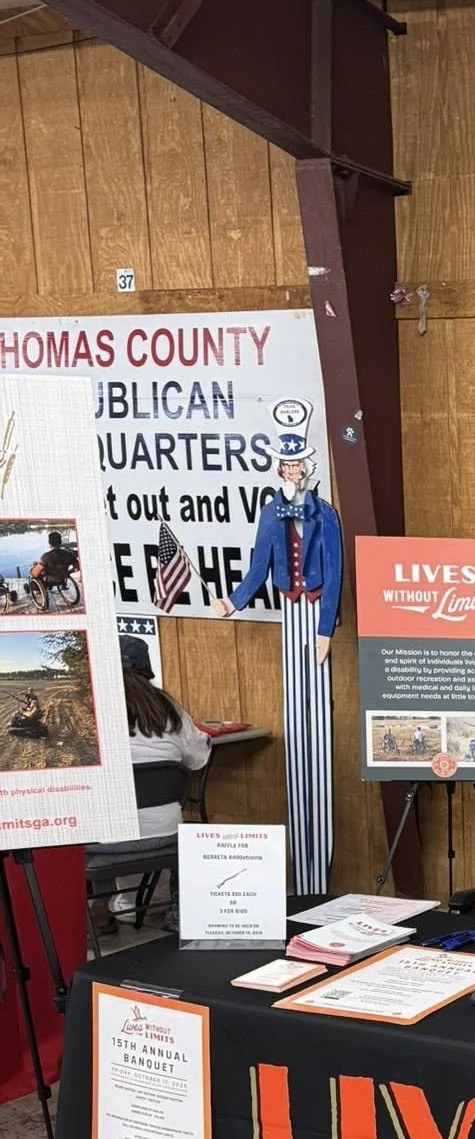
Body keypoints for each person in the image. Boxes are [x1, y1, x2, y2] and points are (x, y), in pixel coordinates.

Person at [215, 396, 342, 894]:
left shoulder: (325, 514)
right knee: (295, 718)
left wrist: (327, 629)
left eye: (297, 464)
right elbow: (258, 567)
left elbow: (333, 576)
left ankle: (320, 877)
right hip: (288, 612)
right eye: (285, 464)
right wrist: (234, 601)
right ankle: (300, 879)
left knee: (318, 730)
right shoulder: (271, 512)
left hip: (314, 611)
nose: (291, 471)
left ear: (307, 468)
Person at [90, 635, 211, 933]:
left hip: (100, 843)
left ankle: (98, 907)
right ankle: (177, 908)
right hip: (164, 835)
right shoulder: (167, 707)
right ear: (148, 671)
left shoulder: (85, 708)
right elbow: (198, 759)